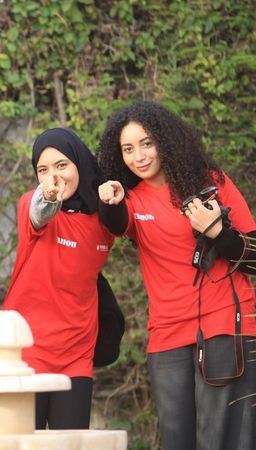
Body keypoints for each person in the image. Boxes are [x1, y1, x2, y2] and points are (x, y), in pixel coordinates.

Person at [96, 100, 256, 450]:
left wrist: (218, 233)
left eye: (146, 143)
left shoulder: (212, 183)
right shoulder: (132, 201)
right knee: (177, 441)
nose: (138, 156)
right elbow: (116, 222)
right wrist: (110, 201)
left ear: (165, 141)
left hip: (225, 326)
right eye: (127, 149)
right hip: (167, 335)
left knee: (223, 440)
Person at [0, 128, 115, 430]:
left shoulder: (102, 222)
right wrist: (48, 194)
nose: (53, 176)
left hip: (77, 354)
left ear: (80, 163)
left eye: (62, 165)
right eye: (43, 169)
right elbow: (41, 209)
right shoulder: (32, 204)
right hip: (25, 355)